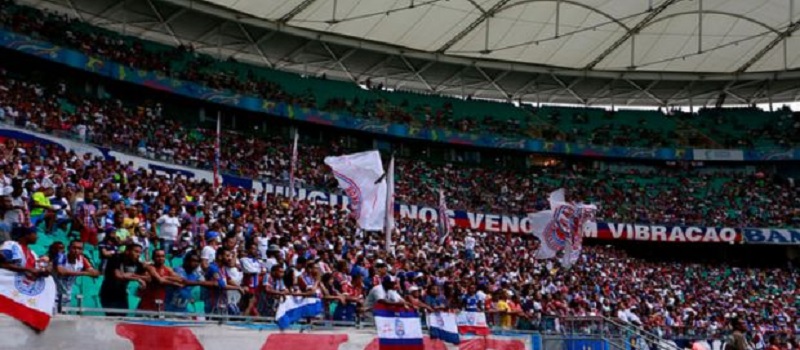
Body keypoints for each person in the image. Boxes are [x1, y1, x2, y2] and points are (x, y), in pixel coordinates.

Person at [98, 243, 149, 316]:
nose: (138, 254)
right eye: (136, 251)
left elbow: (147, 277)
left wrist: (135, 275)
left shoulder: (137, 263)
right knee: (112, 317)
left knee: (123, 317)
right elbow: (118, 275)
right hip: (108, 293)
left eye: (140, 253)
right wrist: (138, 278)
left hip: (122, 294)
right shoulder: (116, 258)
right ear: (127, 251)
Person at [53, 240, 100, 308]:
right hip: (53, 293)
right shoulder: (61, 257)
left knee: (64, 317)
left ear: (82, 250)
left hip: (67, 295)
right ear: (69, 248)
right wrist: (84, 273)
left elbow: (95, 273)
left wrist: (91, 271)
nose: (76, 250)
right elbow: (61, 271)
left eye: (79, 248)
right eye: (74, 248)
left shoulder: (82, 260)